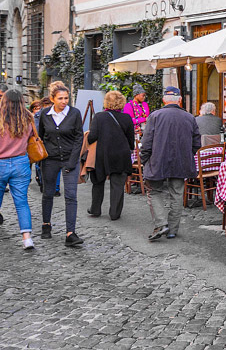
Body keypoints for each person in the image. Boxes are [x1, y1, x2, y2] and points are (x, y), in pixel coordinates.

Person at [140, 86, 201, 241]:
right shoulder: (189, 117)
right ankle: (172, 229)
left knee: (154, 191)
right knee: (177, 194)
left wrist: (143, 159)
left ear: (163, 100)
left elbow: (146, 143)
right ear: (180, 100)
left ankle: (161, 224)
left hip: (157, 161)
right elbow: (196, 143)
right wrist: (186, 155)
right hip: (180, 162)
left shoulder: (155, 116)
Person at [38, 81, 84, 247]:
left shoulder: (74, 113)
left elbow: (79, 137)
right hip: (50, 160)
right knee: (48, 193)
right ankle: (46, 225)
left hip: (70, 159)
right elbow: (40, 136)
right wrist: (42, 157)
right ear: (52, 99)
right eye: (61, 98)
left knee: (71, 195)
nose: (64, 101)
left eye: (66, 98)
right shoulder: (45, 114)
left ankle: (70, 233)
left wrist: (73, 161)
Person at [87, 90, 135, 220]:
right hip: (121, 154)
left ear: (106, 102)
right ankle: (114, 213)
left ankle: (95, 209)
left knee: (98, 182)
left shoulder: (99, 117)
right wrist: (130, 148)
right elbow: (131, 139)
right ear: (122, 103)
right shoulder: (127, 118)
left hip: (102, 154)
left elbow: (92, 137)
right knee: (118, 184)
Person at [0, 90, 36, 250]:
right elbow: (34, 138)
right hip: (21, 162)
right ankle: (27, 238)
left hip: (1, 162)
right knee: (22, 202)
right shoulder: (27, 119)